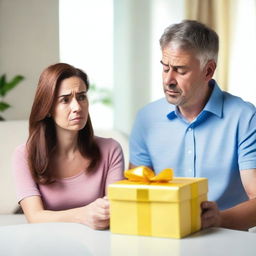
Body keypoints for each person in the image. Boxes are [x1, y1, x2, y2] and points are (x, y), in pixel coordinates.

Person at [129, 20, 256, 231]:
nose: (168, 80)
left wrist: (219, 219)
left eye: (180, 70)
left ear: (208, 71)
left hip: (228, 240)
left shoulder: (245, 117)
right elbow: (138, 192)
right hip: (164, 237)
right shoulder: (146, 119)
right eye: (165, 67)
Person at [13, 63, 124, 230]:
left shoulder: (111, 150)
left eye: (81, 97)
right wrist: (83, 214)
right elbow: (34, 216)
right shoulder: (24, 155)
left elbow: (115, 210)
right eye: (65, 100)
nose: (77, 107)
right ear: (48, 108)